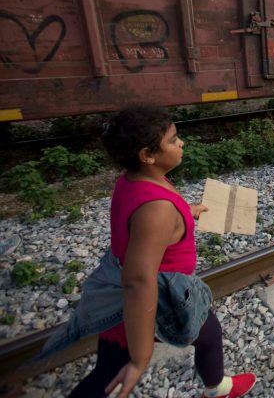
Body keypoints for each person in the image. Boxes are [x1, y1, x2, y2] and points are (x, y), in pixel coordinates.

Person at [55, 106, 255, 397]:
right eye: (173, 140)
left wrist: (187, 212)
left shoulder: (133, 181)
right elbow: (138, 281)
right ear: (147, 155)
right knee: (113, 374)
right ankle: (218, 389)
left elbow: (146, 220)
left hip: (135, 291)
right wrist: (141, 356)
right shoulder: (157, 209)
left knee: (207, 332)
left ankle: (218, 387)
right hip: (159, 300)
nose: (181, 143)